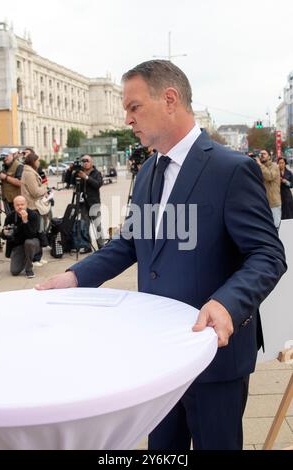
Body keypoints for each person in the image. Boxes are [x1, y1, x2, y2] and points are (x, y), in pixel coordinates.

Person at [36, 60, 287, 450]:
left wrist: (226, 303)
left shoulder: (231, 169)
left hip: (212, 355)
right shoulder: (150, 170)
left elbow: (268, 254)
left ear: (169, 99)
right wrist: (73, 277)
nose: (127, 118)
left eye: (134, 107)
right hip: (158, 355)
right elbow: (130, 242)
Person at [65, 154, 105, 251]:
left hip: (93, 203)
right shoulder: (79, 172)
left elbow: (97, 184)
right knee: (84, 226)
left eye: (87, 161)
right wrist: (70, 170)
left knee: (97, 226)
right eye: (83, 161)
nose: (85, 163)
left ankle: (102, 247)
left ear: (92, 162)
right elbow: (68, 181)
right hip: (82, 204)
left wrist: (86, 177)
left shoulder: (96, 173)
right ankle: (87, 246)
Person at [1, 195, 41, 278]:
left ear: (26, 204)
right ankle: (25, 257)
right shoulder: (10, 217)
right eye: (17, 205)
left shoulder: (33, 215)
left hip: (33, 243)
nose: (20, 207)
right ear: (14, 206)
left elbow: (31, 235)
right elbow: (6, 236)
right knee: (14, 271)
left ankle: (29, 269)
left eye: (22, 204)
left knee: (28, 243)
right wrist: (4, 233)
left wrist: (25, 221)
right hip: (18, 245)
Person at [255, 150, 281, 229]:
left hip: (274, 203)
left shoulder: (274, 166)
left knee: (275, 228)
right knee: (266, 228)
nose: (262, 155)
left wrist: (260, 164)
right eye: (261, 154)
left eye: (264, 154)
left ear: (269, 156)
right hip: (263, 203)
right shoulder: (259, 167)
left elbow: (270, 176)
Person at [0, 148, 24, 215]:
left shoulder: (19, 166)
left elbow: (19, 183)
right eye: (3, 156)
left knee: (17, 220)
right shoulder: (2, 167)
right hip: (6, 200)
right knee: (9, 219)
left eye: (7, 156)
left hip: (16, 200)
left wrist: (5, 177)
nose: (5, 158)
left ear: (12, 155)